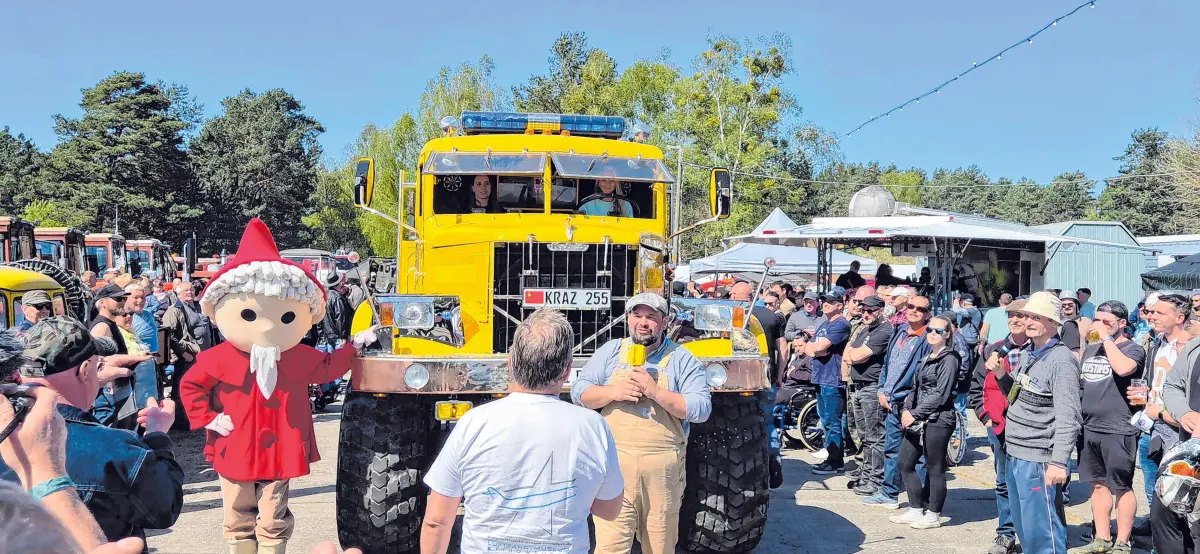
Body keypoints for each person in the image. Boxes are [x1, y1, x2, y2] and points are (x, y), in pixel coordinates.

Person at [179, 218, 376, 554]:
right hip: (236, 440)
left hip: (279, 442)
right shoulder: (220, 357)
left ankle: (272, 547)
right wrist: (209, 417)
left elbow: (327, 369)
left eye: (286, 317)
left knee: (273, 509)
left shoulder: (297, 355)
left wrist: (353, 347)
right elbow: (191, 385)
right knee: (237, 506)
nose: (268, 325)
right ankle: (242, 548)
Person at [422, 309, 624, 554]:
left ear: (511, 362)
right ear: (568, 370)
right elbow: (610, 509)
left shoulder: (473, 423)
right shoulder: (593, 427)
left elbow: (436, 521)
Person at [0, 320, 185, 544]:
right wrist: (157, 435)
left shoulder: (7, 427)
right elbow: (164, 508)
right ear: (84, 370)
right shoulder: (113, 447)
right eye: (97, 367)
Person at [571, 293, 711, 554]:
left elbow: (701, 409)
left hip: (662, 471)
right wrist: (613, 392)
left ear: (665, 322)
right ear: (628, 319)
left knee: (659, 545)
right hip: (614, 467)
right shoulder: (611, 351)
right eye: (637, 315)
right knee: (610, 546)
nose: (643, 323)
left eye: (651, 317)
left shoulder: (681, 358)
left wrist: (656, 392)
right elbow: (579, 392)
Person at [997, 291, 1082, 554]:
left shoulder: (1062, 360)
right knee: (1025, 529)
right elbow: (1016, 396)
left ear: (1054, 323)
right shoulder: (1028, 352)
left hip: (1038, 456)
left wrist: (1058, 462)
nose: (1029, 321)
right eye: (1027, 315)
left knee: (1043, 532)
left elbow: (1070, 416)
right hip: (1015, 451)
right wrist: (1002, 375)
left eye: (1038, 317)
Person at [1071, 301, 1146, 554]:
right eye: (1098, 320)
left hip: (1119, 428)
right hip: (1090, 427)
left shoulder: (1132, 349)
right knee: (1098, 484)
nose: (1100, 326)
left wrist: (1106, 340)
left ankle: (1123, 542)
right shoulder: (1091, 350)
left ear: (1122, 324)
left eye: (1107, 321)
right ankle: (1102, 538)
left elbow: (1124, 368)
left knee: (1122, 486)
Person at [890, 314, 961, 530]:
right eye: (930, 329)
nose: (932, 334)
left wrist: (916, 413)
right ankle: (915, 508)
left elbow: (941, 393)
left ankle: (933, 514)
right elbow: (915, 388)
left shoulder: (949, 359)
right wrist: (906, 410)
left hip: (939, 419)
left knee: (935, 467)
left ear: (947, 335)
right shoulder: (926, 357)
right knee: (905, 462)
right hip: (918, 417)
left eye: (938, 331)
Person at [971, 298, 1030, 554]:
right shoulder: (994, 349)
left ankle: (1032, 535)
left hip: (1031, 430)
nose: (1015, 320)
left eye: (1020, 315)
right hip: (1000, 427)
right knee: (1004, 481)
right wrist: (986, 417)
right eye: (1011, 315)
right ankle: (1006, 534)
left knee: (1032, 484)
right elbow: (976, 386)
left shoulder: (1039, 350)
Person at [865, 295, 933, 509]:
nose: (914, 311)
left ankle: (918, 501)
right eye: (911, 306)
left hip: (911, 404)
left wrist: (909, 400)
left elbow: (922, 374)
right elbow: (887, 364)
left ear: (927, 314)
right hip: (891, 400)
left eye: (920, 309)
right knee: (891, 448)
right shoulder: (900, 330)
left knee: (917, 454)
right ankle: (889, 493)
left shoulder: (928, 338)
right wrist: (882, 389)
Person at [1141, 293, 1194, 536]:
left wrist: (1161, 413)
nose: (1151, 316)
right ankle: (1157, 539)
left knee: (1177, 496)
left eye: (1159, 313)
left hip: (1177, 432)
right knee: (1153, 489)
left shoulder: (1191, 349)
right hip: (1151, 426)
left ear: (1179, 317)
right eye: (1150, 312)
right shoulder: (1156, 342)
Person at [729, 281, 787, 486]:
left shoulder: (731, 315)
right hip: (767, 378)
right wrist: (779, 375)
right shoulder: (771, 316)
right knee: (768, 421)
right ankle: (773, 459)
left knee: (741, 423)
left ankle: (748, 465)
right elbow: (784, 349)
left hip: (738, 382)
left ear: (735, 295)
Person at [1157, 320, 1200, 554]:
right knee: (1164, 517)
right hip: (1187, 457)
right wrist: (1184, 413)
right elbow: (1172, 385)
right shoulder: (1194, 348)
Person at [844, 295, 894, 497]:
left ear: (881, 310)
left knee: (875, 436)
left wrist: (852, 354)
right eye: (863, 310)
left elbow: (854, 356)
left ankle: (876, 479)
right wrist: (852, 354)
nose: (866, 314)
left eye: (870, 310)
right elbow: (848, 353)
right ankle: (866, 475)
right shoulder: (865, 330)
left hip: (872, 387)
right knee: (864, 436)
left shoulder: (884, 331)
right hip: (859, 386)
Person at [805, 286, 851, 475]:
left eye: (831, 302)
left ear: (840, 305)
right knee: (825, 420)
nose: (825, 304)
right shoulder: (824, 324)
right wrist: (816, 348)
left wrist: (816, 347)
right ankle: (831, 458)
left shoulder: (841, 324)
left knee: (833, 421)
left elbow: (821, 346)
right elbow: (809, 349)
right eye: (824, 301)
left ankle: (835, 461)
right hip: (820, 377)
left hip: (833, 379)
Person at [1059, 290, 1086, 356]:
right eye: (1063, 305)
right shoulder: (1056, 323)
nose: (1067, 307)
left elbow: (1095, 342)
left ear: (1076, 305)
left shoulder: (1087, 322)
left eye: (1070, 305)